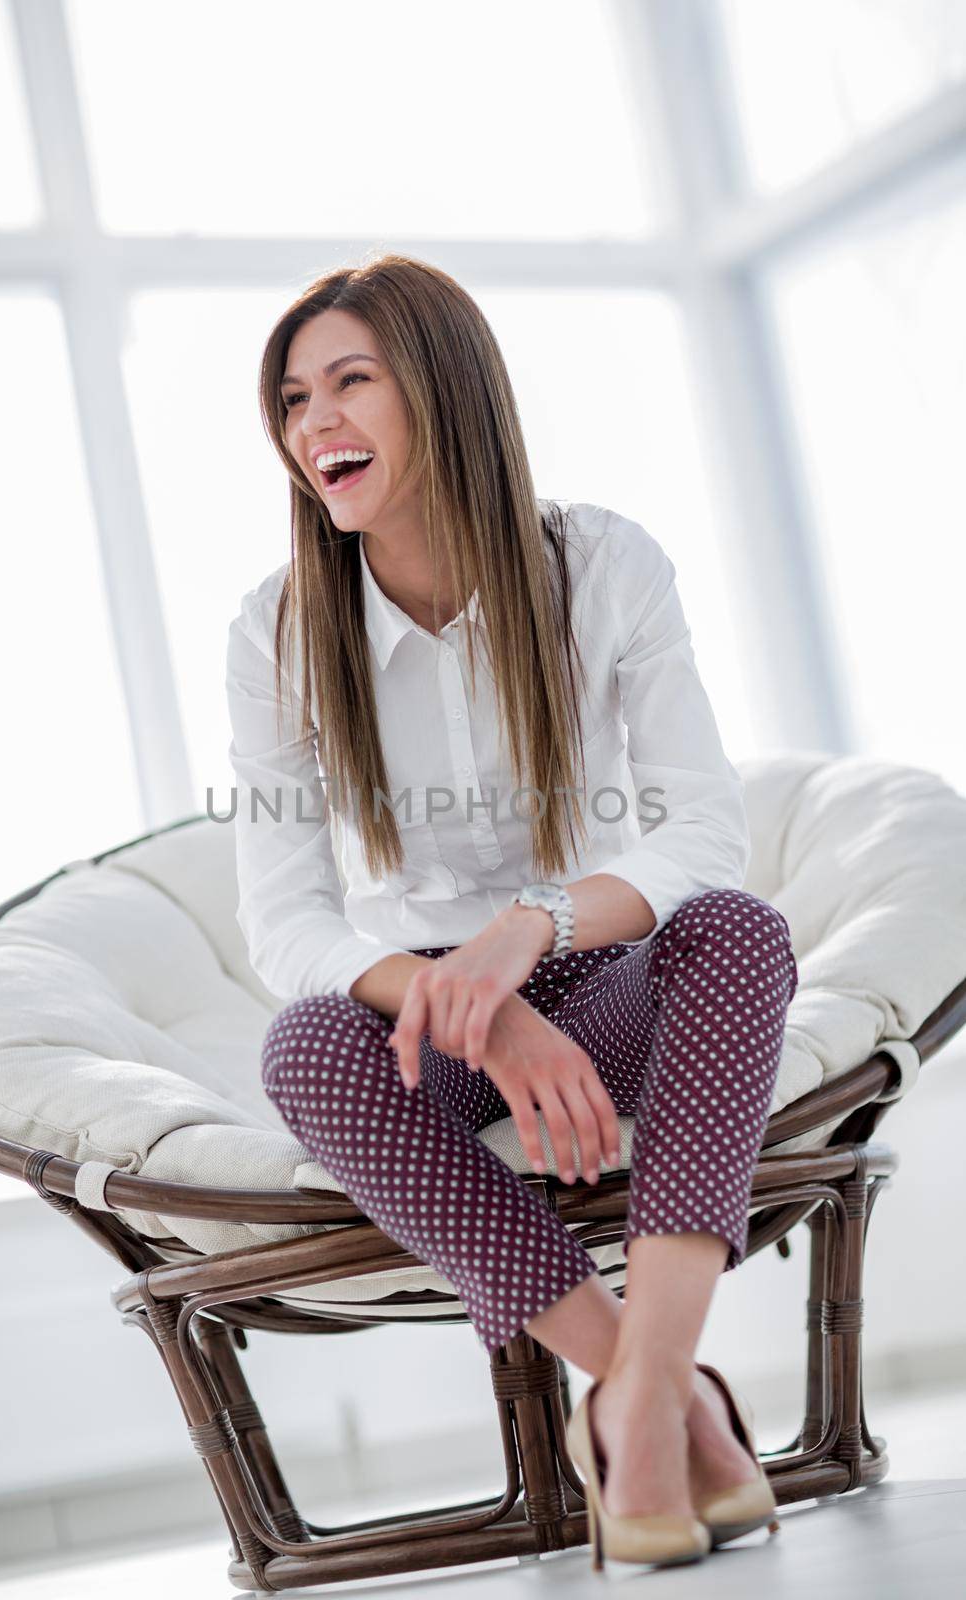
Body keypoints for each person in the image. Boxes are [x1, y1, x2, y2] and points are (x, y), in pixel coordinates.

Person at [225, 252, 797, 1568]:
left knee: (740, 934)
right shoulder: (274, 632)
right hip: (425, 1014)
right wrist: (477, 1014)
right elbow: (288, 925)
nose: (315, 425)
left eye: (350, 383)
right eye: (294, 398)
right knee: (302, 1046)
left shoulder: (602, 565)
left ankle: (640, 1413)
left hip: (595, 973)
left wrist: (530, 929)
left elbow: (705, 829)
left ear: (446, 388)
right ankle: (662, 1396)